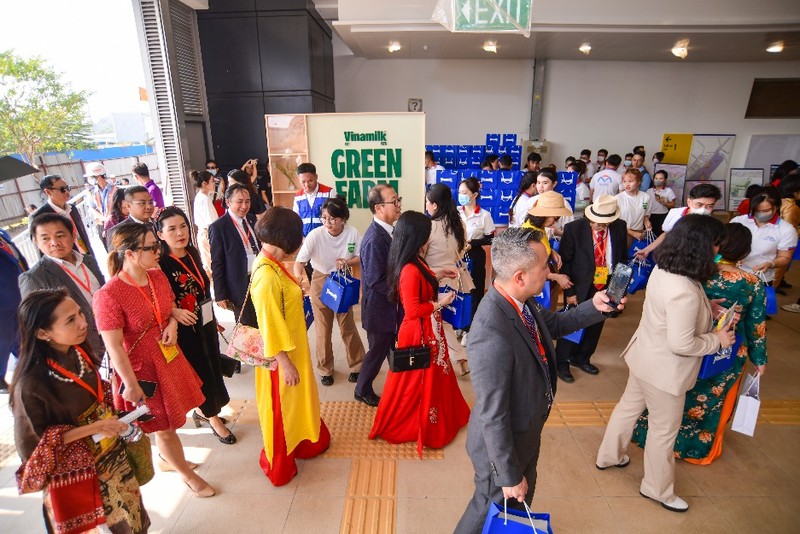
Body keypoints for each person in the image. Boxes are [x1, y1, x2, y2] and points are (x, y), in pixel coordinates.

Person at [455, 227, 623, 534]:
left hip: (524, 430)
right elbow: (493, 414)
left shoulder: (521, 302)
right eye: (545, 266)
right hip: (503, 444)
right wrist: (507, 474)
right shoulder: (491, 332)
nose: (550, 271)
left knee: (517, 503)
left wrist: (594, 306)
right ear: (520, 276)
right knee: (490, 505)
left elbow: (555, 324)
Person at [596, 215, 735, 513]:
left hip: (643, 357)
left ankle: (609, 455)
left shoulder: (664, 269)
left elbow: (668, 313)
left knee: (628, 408)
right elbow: (682, 344)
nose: (717, 250)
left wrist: (705, 309)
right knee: (663, 431)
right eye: (715, 245)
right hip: (665, 372)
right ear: (702, 248)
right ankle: (657, 489)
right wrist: (718, 339)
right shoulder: (685, 289)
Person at [12, 289, 150, 533]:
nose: (83, 323)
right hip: (78, 474)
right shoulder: (30, 384)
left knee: (131, 520)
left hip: (110, 454)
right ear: (43, 333)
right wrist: (93, 428)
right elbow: (34, 449)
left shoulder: (78, 350)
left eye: (79, 313)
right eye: (70, 320)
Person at [631, 222, 767, 464]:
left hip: (688, 343)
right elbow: (755, 326)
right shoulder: (751, 282)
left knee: (676, 397)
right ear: (745, 252)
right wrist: (759, 359)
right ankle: (694, 450)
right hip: (726, 347)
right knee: (711, 403)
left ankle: (644, 436)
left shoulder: (694, 271)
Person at [94, 223, 213, 497]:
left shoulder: (157, 277)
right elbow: (114, 348)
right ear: (130, 254)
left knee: (172, 419)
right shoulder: (108, 295)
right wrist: (131, 384)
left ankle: (169, 459)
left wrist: (172, 324)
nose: (158, 250)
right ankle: (186, 474)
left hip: (168, 358)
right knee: (165, 425)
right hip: (142, 371)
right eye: (150, 247)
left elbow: (168, 310)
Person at [369, 211, 469, 455]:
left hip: (428, 329)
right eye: (427, 236)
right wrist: (441, 302)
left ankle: (435, 415)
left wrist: (440, 273)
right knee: (415, 379)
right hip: (418, 331)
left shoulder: (414, 261)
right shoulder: (409, 269)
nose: (429, 240)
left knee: (430, 374)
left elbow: (421, 281)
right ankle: (417, 421)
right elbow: (413, 310)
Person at [251, 207, 330, 486]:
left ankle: (303, 442)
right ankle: (281, 462)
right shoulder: (267, 276)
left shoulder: (272, 263)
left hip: (293, 348)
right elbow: (269, 325)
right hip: (281, 358)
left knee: (296, 403)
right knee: (282, 409)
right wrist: (285, 364)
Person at [156, 207, 234, 445]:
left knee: (212, 366)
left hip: (205, 319)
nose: (180, 233)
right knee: (199, 370)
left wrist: (214, 317)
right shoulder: (160, 264)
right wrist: (173, 312)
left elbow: (200, 287)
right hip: (185, 328)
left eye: (183, 226)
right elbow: (157, 299)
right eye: (172, 229)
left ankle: (209, 409)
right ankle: (212, 418)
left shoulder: (191, 253)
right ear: (160, 234)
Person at [293, 197, 365, 386]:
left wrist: (346, 262)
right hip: (321, 279)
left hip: (343, 279)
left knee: (347, 325)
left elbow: (360, 256)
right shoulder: (315, 235)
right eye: (324, 218)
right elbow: (299, 262)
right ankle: (325, 369)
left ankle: (358, 365)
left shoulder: (352, 233)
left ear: (343, 218)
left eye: (333, 219)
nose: (328, 223)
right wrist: (298, 280)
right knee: (323, 328)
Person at [556, 195, 628, 382]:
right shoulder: (574, 229)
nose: (598, 225)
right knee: (572, 323)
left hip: (606, 283)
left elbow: (622, 258)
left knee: (596, 324)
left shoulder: (620, 227)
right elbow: (565, 262)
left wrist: (619, 289)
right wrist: (569, 292)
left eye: (603, 224)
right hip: (579, 284)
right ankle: (561, 361)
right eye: (594, 222)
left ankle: (582, 358)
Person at [19, 213, 105, 357]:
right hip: (75, 350)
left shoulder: (89, 261)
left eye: (60, 235)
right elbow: (35, 325)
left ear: (73, 235)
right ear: (35, 241)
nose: (54, 242)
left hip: (109, 335)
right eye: (45, 238)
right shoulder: (33, 278)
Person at [354, 185, 402, 407]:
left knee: (387, 349)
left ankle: (396, 387)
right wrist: (403, 291)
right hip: (379, 308)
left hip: (388, 307)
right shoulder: (374, 238)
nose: (399, 204)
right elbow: (375, 280)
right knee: (377, 351)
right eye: (394, 201)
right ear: (379, 207)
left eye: (398, 199)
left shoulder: (388, 231)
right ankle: (362, 389)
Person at [424, 184, 475, 375]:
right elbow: (462, 249)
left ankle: (451, 359)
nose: (426, 206)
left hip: (435, 279)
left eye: (427, 202)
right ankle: (459, 358)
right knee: (444, 321)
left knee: (438, 321)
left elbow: (422, 255)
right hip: (456, 278)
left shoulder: (429, 226)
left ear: (435, 205)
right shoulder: (458, 223)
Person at [210, 183, 260, 328]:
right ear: (228, 202)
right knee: (247, 328)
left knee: (262, 323)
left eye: (247, 201)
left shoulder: (252, 219)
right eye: (239, 202)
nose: (244, 206)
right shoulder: (218, 227)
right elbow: (217, 262)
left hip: (258, 277)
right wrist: (220, 294)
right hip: (239, 283)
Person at [731, 190, 797, 297]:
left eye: (766, 210)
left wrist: (771, 264)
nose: (760, 214)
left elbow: (784, 257)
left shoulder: (786, 230)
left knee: (756, 308)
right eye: (757, 210)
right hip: (733, 274)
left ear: (777, 207)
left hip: (761, 278)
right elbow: (722, 247)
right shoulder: (738, 221)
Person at [635, 183, 722, 259]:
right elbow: (666, 235)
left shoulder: (712, 225)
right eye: (699, 204)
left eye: (710, 206)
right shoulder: (675, 213)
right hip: (671, 258)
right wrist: (647, 250)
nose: (703, 209)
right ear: (689, 201)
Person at [457, 178, 495, 347]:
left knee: (474, 293)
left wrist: (473, 243)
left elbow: (490, 238)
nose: (461, 196)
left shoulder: (484, 215)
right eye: (459, 193)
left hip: (475, 258)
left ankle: (470, 329)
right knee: (459, 291)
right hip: (457, 258)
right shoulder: (456, 213)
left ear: (475, 195)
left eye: (464, 193)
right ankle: (459, 323)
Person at [522, 191, 574, 295]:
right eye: (555, 218)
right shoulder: (530, 234)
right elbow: (530, 269)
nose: (555, 222)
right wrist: (556, 277)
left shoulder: (539, 229)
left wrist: (550, 251)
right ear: (544, 215)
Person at [29, 174, 94, 257]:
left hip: (86, 257)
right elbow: (41, 251)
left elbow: (82, 234)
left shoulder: (72, 208)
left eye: (68, 188)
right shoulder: (38, 216)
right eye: (62, 189)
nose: (67, 192)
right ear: (48, 192)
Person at [0, 228, 28, 392]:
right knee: (4, 339)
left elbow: (17, 260)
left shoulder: (2, 234)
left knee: (21, 336)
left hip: (18, 293)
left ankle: (30, 367)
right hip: (3, 302)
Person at [292, 162, 334, 237]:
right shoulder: (298, 197)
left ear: (316, 177)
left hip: (325, 239)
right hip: (305, 240)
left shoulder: (329, 192)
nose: (307, 185)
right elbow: (295, 222)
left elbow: (336, 219)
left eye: (310, 181)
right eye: (303, 182)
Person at [192, 169, 219, 279]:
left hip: (206, 233)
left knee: (209, 262)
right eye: (212, 181)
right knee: (210, 264)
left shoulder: (203, 197)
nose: (214, 183)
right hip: (207, 233)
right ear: (205, 183)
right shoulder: (203, 198)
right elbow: (211, 222)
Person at [530, 169, 573, 237]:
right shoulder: (531, 201)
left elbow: (570, 233)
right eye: (538, 183)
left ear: (554, 184)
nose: (541, 186)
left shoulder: (563, 203)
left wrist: (557, 233)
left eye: (545, 183)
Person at [615, 168, 652, 243]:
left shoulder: (646, 197)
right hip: (622, 233)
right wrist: (633, 233)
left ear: (639, 182)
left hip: (639, 233)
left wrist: (647, 222)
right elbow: (615, 222)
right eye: (624, 181)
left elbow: (645, 215)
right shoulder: (618, 198)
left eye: (631, 181)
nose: (627, 184)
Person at [86, 162, 117, 250]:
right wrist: (103, 219)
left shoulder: (114, 189)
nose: (89, 179)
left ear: (98, 176)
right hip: (101, 224)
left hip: (114, 223)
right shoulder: (92, 192)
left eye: (91, 177)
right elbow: (91, 207)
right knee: (108, 250)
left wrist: (108, 219)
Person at [646, 169, 676, 235]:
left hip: (663, 215)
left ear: (665, 180)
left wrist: (664, 203)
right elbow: (645, 204)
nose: (658, 180)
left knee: (661, 234)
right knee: (650, 235)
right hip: (650, 215)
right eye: (656, 178)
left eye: (660, 178)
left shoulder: (669, 191)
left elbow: (673, 205)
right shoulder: (649, 191)